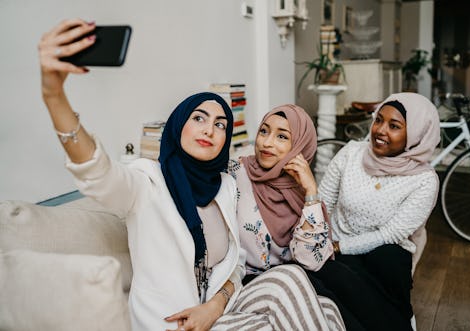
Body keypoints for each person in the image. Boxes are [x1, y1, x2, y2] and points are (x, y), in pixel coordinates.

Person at [39, 19, 343, 331]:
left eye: (221, 124)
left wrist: (215, 305)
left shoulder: (224, 186)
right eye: (199, 118)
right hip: (174, 320)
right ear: (178, 124)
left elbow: (235, 265)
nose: (210, 129)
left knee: (314, 297)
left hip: (217, 308)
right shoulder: (147, 182)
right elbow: (96, 171)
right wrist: (54, 95)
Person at [310, 92, 441, 331]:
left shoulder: (424, 180)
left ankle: (398, 318)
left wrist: (341, 247)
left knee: (386, 260)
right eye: (378, 120)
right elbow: (323, 203)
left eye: (394, 126)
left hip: (385, 251)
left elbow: (390, 235)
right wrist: (320, 240)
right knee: (331, 275)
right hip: (337, 239)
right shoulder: (351, 153)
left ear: (415, 134)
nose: (380, 130)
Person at [228, 104, 345, 330]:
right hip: (244, 281)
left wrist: (311, 192)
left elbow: (310, 260)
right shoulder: (234, 172)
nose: (267, 142)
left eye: (282, 136)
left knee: (330, 307)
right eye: (264, 131)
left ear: (300, 145)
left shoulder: (299, 189)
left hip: (292, 280)